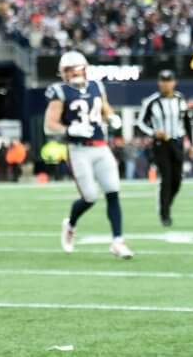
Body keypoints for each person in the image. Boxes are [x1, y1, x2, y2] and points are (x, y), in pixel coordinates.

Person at [45, 51, 133, 259]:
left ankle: (118, 241)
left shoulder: (96, 86)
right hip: (78, 150)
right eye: (66, 70)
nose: (71, 74)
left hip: (101, 147)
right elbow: (49, 125)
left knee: (113, 191)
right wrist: (68, 130)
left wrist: (112, 118)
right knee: (90, 197)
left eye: (73, 69)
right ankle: (71, 224)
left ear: (84, 68)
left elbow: (105, 109)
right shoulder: (59, 92)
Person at [136, 69, 192, 227]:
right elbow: (140, 123)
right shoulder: (152, 102)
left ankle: (166, 204)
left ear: (174, 82)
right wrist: (154, 133)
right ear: (159, 83)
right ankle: (165, 214)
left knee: (177, 180)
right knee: (166, 178)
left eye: (169, 80)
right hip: (161, 144)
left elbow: (187, 123)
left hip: (177, 142)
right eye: (163, 80)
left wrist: (192, 144)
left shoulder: (181, 99)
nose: (166, 84)